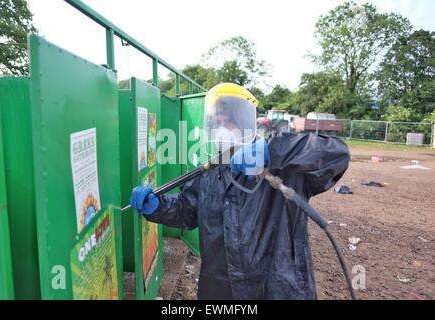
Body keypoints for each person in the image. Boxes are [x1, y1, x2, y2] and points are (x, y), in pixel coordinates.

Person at [130, 83, 350, 300]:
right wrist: (157, 206)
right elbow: (186, 211)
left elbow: (336, 154)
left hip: (278, 287)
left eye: (230, 122)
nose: (223, 129)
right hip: (219, 288)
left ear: (246, 123)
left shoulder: (280, 164)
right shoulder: (209, 172)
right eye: (218, 123)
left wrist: (273, 151)